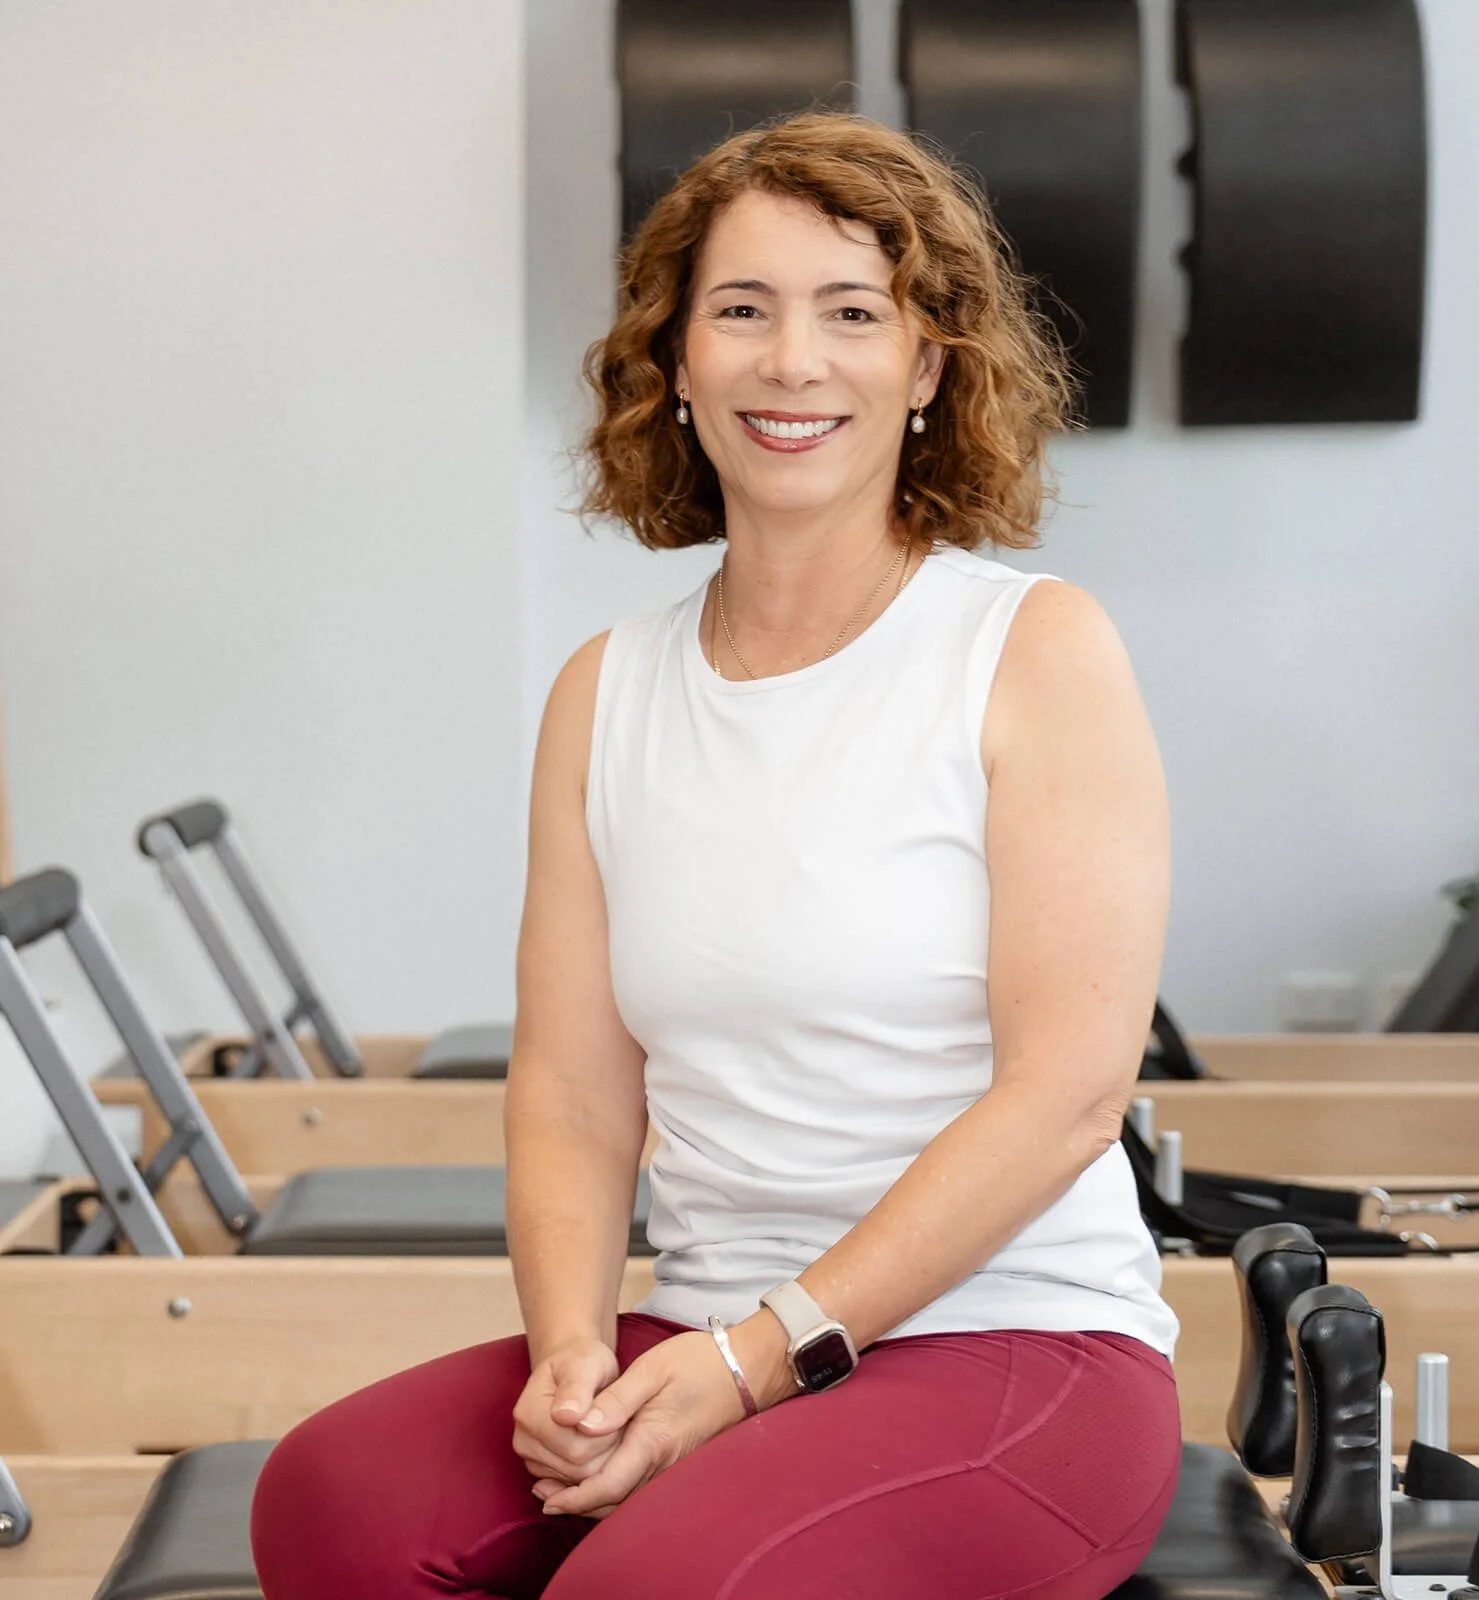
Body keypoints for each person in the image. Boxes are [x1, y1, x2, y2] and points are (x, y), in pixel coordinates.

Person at [250, 110, 1181, 1600]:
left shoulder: (1032, 651)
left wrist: (758, 1358)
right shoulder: (606, 692)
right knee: (333, 1505)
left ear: (928, 365)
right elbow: (568, 1089)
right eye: (741, 310)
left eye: (852, 313)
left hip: (1015, 1339)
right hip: (695, 1326)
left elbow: (1067, 1096)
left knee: (658, 1590)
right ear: (676, 362)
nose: (792, 361)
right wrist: (569, 1351)